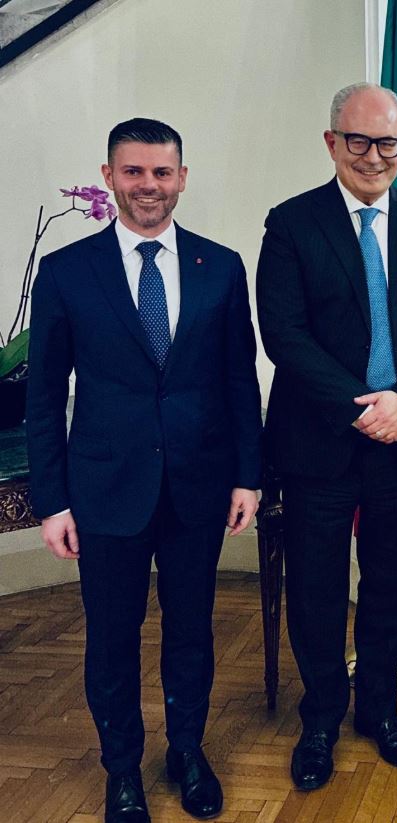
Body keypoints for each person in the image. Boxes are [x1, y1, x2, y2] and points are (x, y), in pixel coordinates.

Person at [27, 118, 262, 823]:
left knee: (192, 630)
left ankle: (187, 751)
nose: (148, 186)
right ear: (108, 177)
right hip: (104, 491)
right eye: (133, 172)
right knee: (112, 637)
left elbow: (239, 380)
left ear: (182, 178)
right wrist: (52, 501)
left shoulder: (221, 266)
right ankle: (122, 769)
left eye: (162, 172)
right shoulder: (66, 271)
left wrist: (247, 476)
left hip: (199, 486)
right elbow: (44, 396)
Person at [256, 82, 397, 788]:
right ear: (332, 142)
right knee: (316, 589)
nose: (374, 156)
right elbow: (283, 334)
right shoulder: (291, 223)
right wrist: (360, 408)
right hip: (319, 442)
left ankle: (379, 709)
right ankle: (320, 716)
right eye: (359, 140)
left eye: (389, 143)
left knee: (387, 585)